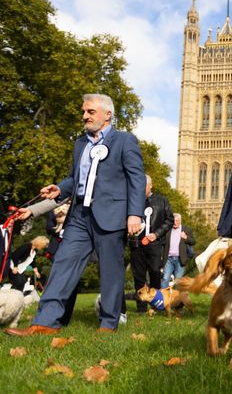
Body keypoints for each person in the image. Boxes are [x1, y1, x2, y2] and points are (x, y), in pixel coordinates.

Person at [4, 93, 145, 336]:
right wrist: (60, 188)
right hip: (79, 216)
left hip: (111, 216)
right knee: (62, 264)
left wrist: (135, 214)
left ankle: (108, 325)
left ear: (107, 115)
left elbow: (136, 178)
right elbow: (75, 178)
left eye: (90, 112)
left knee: (111, 272)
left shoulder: (125, 141)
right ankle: (45, 323)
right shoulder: (80, 143)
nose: (84, 116)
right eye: (84, 112)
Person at [129, 174, 173, 312]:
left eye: (144, 186)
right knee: (139, 275)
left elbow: (169, 220)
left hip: (154, 244)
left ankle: (156, 304)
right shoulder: (133, 201)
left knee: (155, 271)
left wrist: (157, 234)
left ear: (150, 186)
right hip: (136, 243)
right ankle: (141, 307)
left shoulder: (162, 201)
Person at [161, 213, 195, 288]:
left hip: (180, 259)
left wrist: (186, 237)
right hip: (168, 259)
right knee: (165, 278)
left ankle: (177, 298)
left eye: (177, 221)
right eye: (173, 221)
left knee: (178, 281)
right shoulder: (167, 230)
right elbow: (162, 244)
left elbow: (193, 242)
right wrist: (161, 255)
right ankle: (163, 297)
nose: (175, 223)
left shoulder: (186, 229)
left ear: (180, 221)